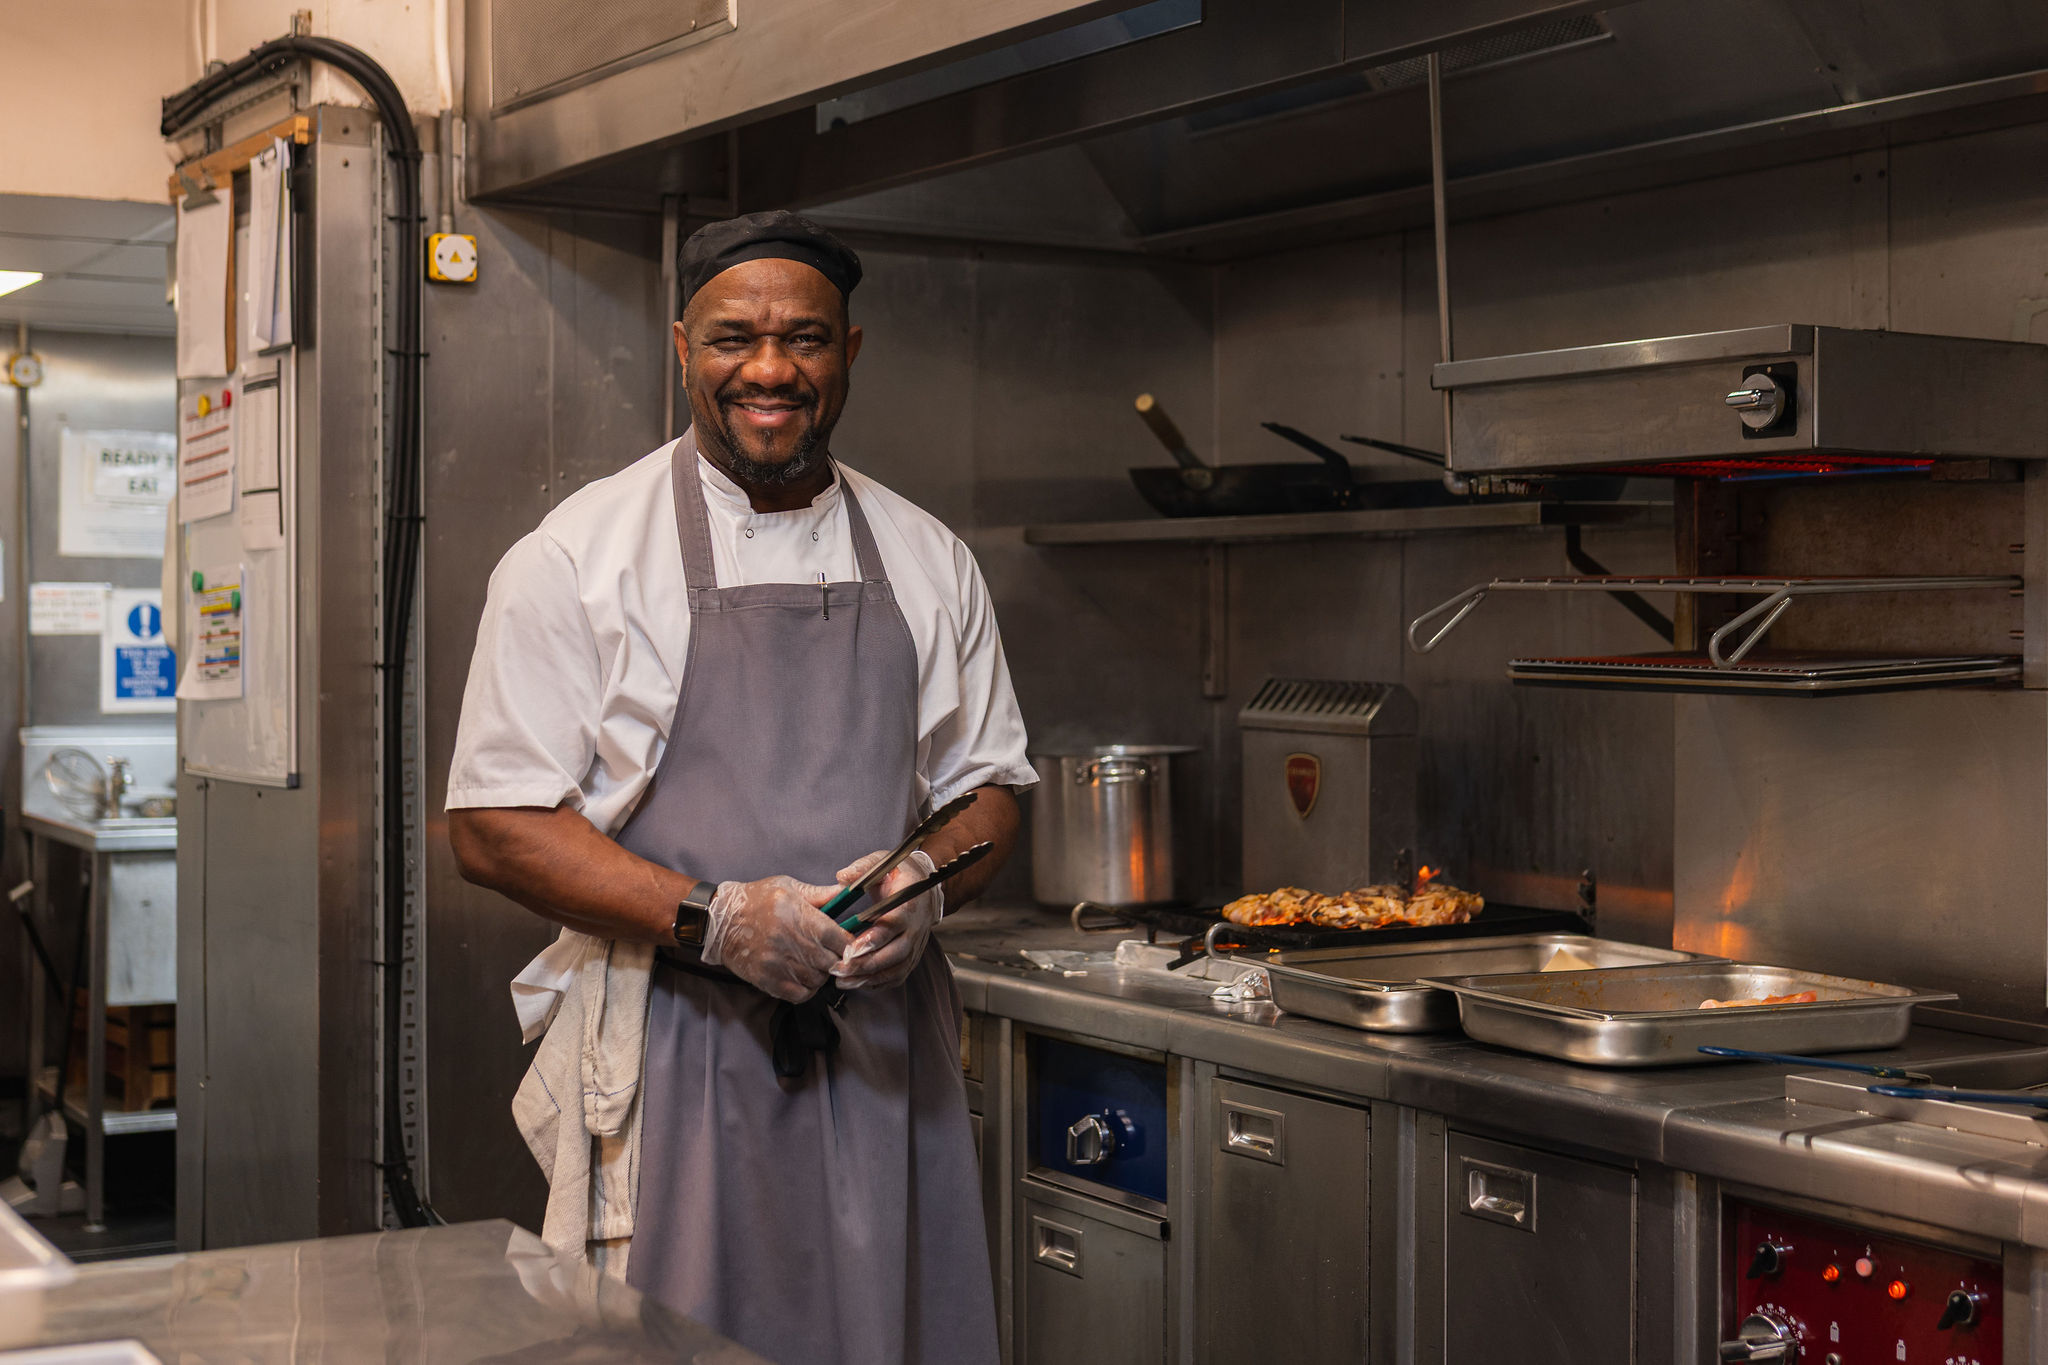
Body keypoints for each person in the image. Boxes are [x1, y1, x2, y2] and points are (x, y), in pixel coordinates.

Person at [446, 210, 1030, 1365]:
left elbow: (990, 790)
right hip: (675, 1042)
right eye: (732, 339)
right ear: (680, 347)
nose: (768, 370)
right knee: (675, 1341)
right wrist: (718, 922)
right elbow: (493, 827)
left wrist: (921, 882)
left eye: (803, 339)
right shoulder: (577, 559)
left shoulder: (927, 557)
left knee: (894, 1333)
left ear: (848, 353)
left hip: (882, 1052)